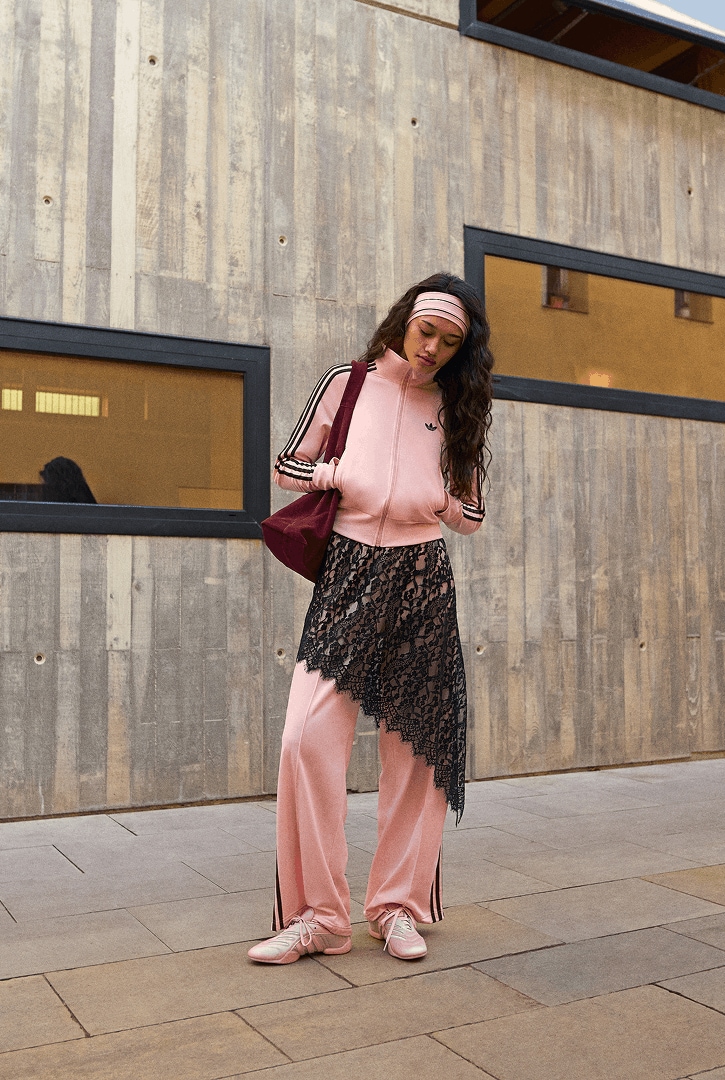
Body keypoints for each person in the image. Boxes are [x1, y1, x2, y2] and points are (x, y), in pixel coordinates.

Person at [248, 273, 493, 965]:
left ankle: (395, 908)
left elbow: (472, 514)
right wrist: (339, 475)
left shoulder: (456, 407)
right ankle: (319, 918)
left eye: (449, 342)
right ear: (404, 322)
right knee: (305, 737)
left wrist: (440, 499)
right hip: (349, 569)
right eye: (425, 332)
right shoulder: (348, 382)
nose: (432, 349)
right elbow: (288, 465)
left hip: (420, 576)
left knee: (416, 749)